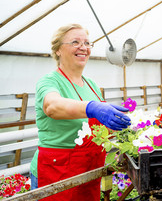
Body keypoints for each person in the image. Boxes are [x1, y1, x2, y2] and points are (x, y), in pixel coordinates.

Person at [29, 24, 131, 200]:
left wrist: (120, 127)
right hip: (56, 170)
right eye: (75, 42)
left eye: (87, 43)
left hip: (87, 170)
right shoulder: (49, 81)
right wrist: (92, 108)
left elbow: (96, 129)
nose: (83, 47)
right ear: (58, 49)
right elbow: (52, 106)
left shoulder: (91, 84)